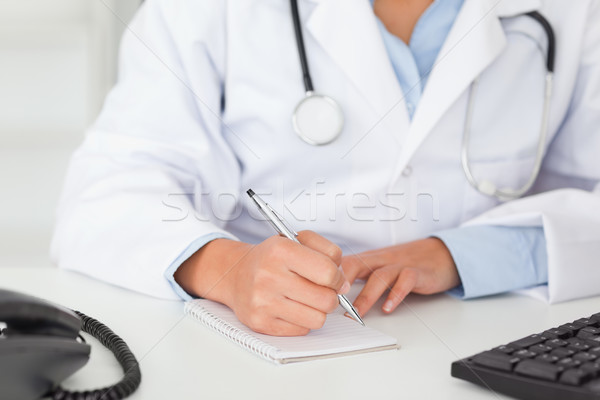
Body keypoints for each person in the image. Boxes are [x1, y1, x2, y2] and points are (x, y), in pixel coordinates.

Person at [52, 0, 600, 336]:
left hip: (495, 341)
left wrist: (458, 255)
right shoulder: (206, 8)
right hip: (267, 352)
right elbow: (105, 192)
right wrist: (229, 270)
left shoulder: (574, 10)